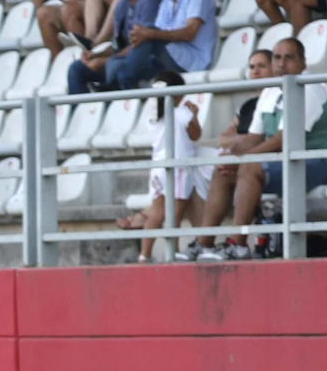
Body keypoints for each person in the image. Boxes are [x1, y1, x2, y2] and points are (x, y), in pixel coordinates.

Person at [201, 38, 327, 262]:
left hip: (315, 162)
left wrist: (242, 159)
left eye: (289, 58)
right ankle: (203, 245)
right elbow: (254, 138)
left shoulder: (309, 88)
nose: (281, 64)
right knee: (223, 172)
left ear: (302, 62)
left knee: (249, 169)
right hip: (284, 162)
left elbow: (284, 138)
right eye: (277, 58)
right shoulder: (270, 90)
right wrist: (232, 154)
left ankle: (237, 245)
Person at [179, 49, 272, 262]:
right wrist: (238, 146)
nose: (255, 71)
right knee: (200, 168)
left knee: (225, 168)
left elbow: (264, 139)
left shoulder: (277, 99)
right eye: (252, 67)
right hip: (241, 158)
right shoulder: (248, 105)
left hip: (261, 161)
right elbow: (224, 138)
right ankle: (204, 243)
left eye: (261, 66)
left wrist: (238, 148)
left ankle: (236, 245)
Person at [117, 72, 205, 263]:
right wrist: (195, 115)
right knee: (176, 213)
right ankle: (172, 251)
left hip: (157, 167)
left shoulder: (153, 117)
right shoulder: (183, 113)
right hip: (178, 166)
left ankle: (145, 254)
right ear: (179, 94)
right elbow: (196, 135)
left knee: (156, 213)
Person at [64, 0, 163, 94]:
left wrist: (106, 61)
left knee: (116, 67)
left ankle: (111, 101)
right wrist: (96, 54)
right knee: (77, 68)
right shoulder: (122, 5)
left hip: (147, 62)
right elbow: (118, 45)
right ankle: (79, 111)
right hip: (123, 58)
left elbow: (142, 45)